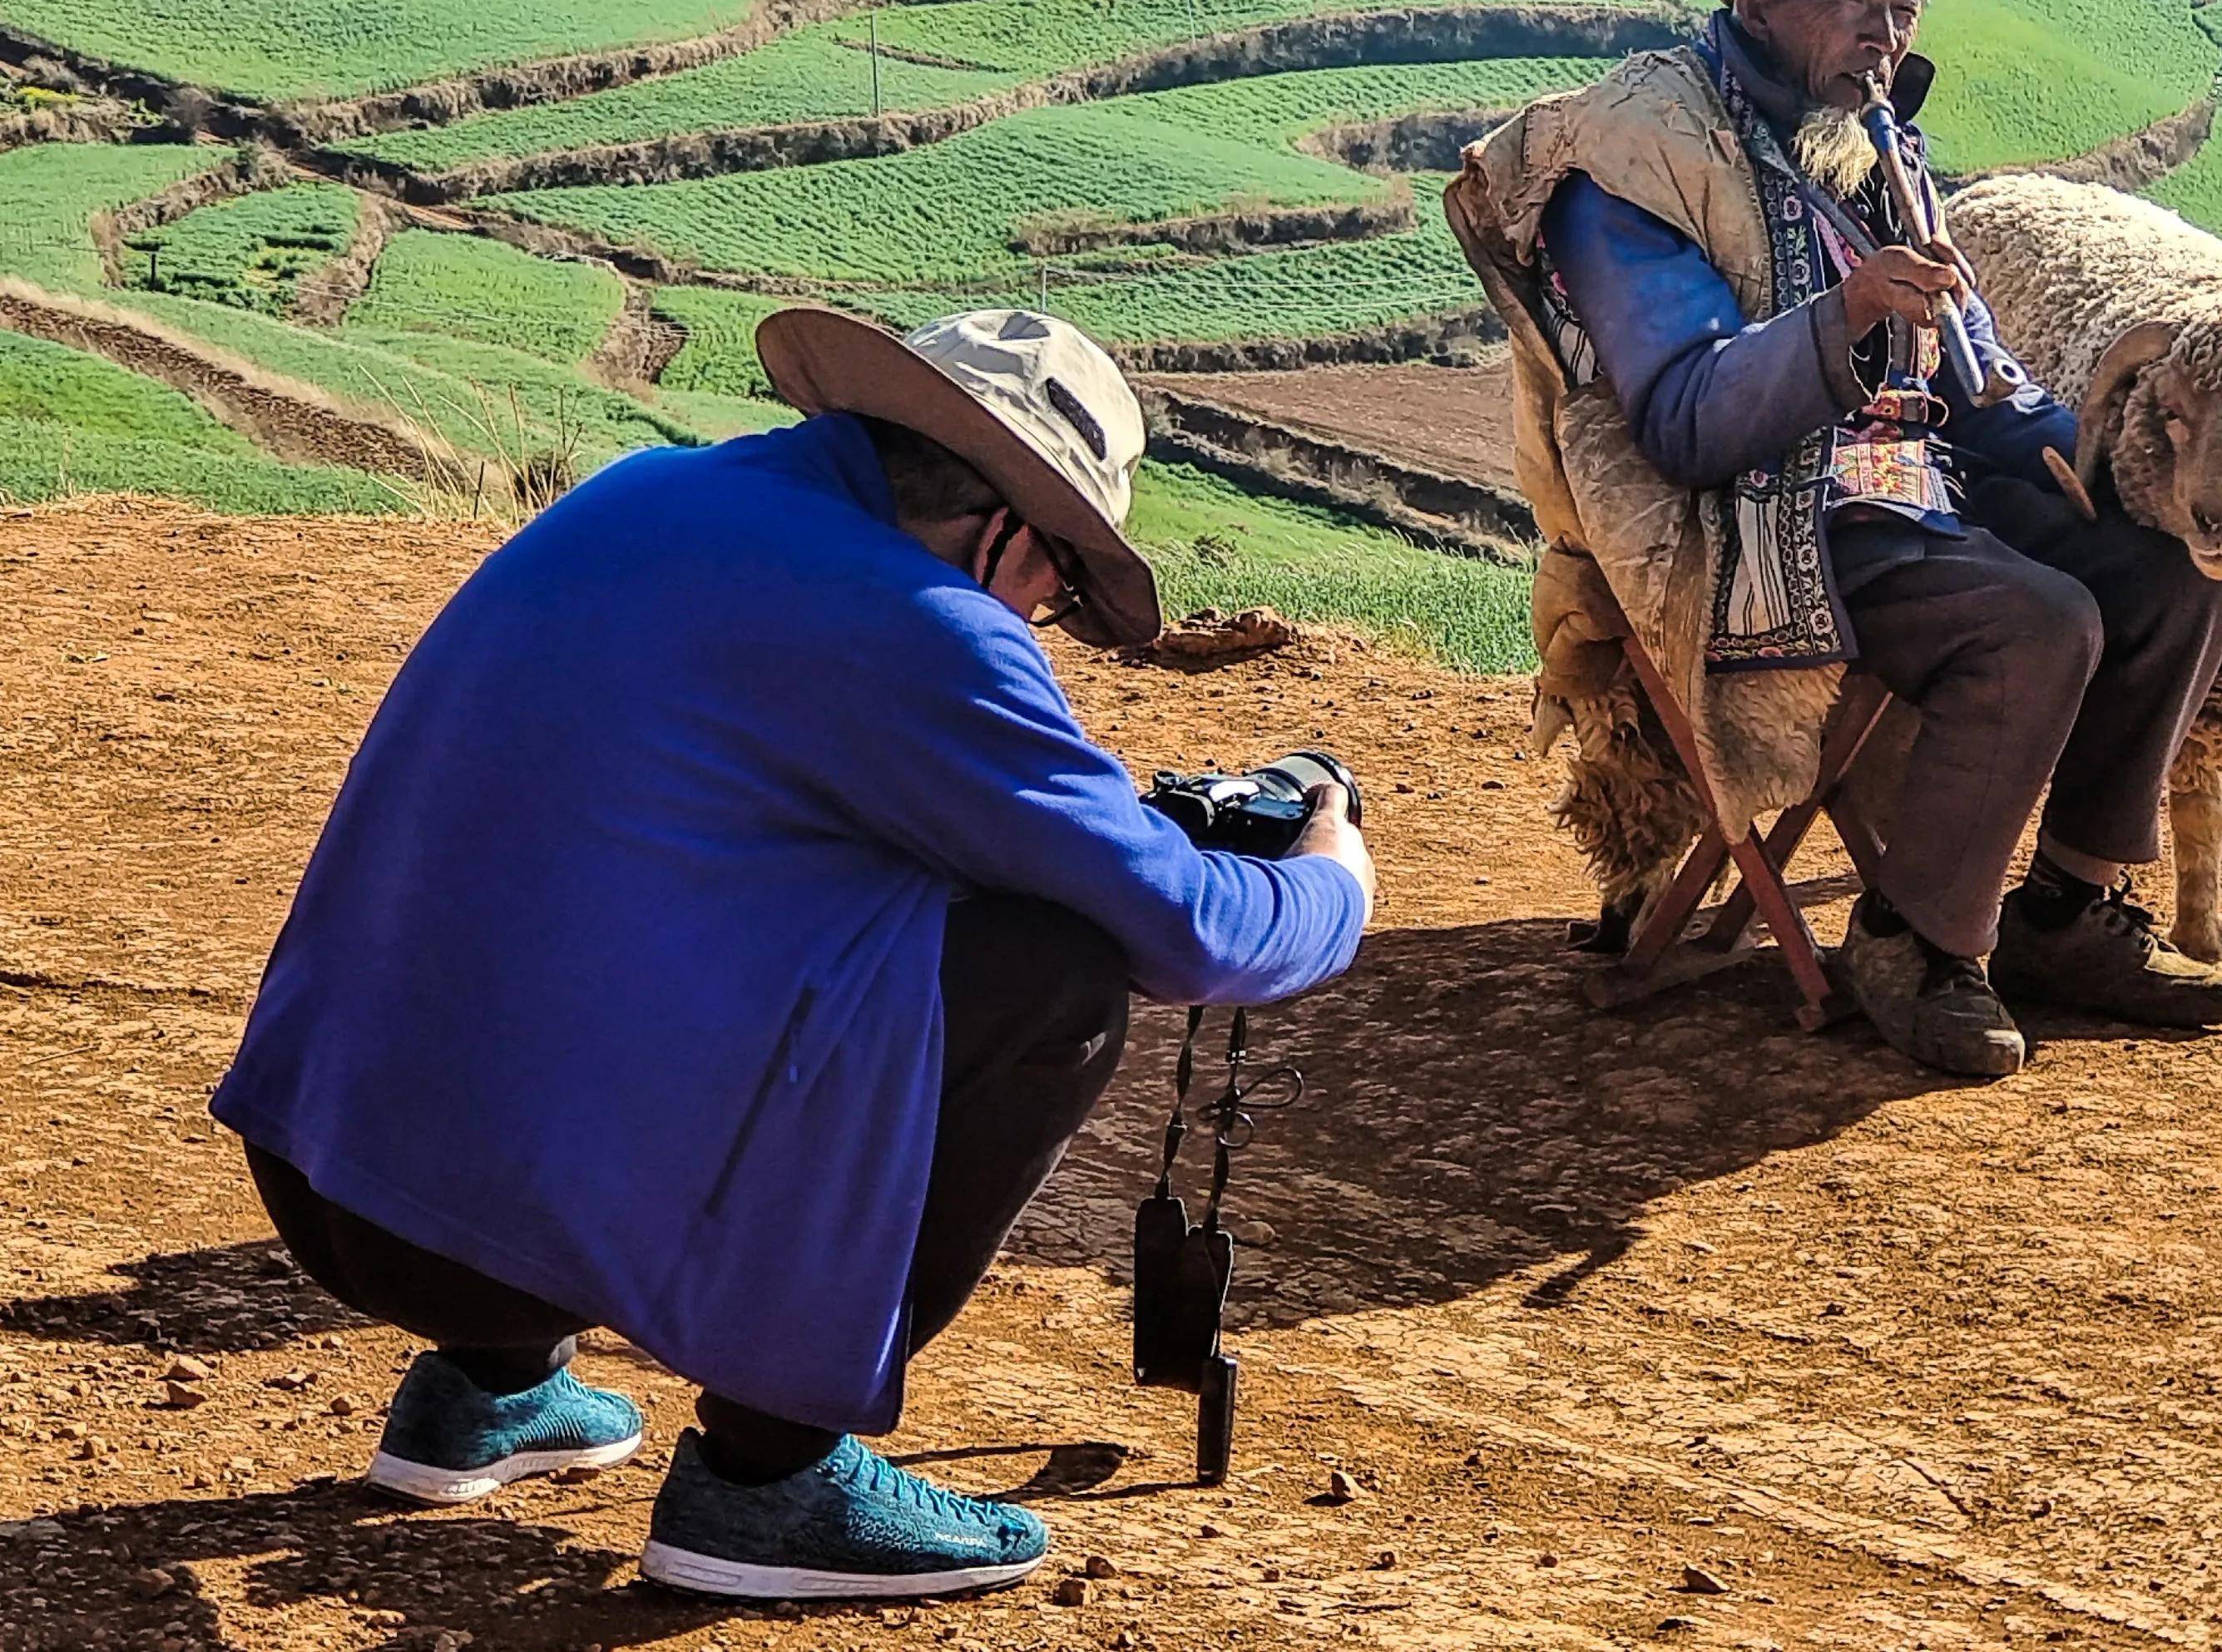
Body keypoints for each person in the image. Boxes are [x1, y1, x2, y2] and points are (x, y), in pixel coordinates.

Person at [209, 309, 1373, 1600]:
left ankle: (492, 1388)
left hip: (326, 1174)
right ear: (1004, 532)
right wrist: (1333, 883)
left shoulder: (643, 493)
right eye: (1061, 586)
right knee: (1059, 973)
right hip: (475, 1233)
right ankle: (768, 1478)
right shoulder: (920, 619)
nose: (1047, 621)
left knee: (637, 910)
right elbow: (1183, 934)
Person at [1449, 0, 2222, 1080]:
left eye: (1902, 5)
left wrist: (2097, 464)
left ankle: (2063, 910)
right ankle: (1914, 941)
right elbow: (1682, 418)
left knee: (2166, 572)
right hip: (1752, 516)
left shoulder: (1869, 140)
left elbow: (1979, 379)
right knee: (2038, 623)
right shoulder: (1639, 152)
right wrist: (1849, 317)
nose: (1883, 33)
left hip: (1909, 485)